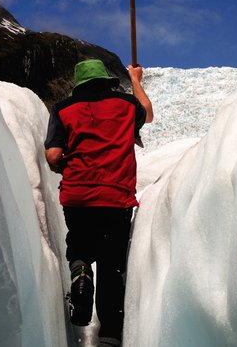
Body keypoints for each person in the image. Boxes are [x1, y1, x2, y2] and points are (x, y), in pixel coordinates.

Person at [44, 59, 153, 347]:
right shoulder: (127, 105)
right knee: (111, 267)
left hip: (77, 195)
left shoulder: (62, 109)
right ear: (106, 80)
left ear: (79, 83)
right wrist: (136, 80)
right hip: (116, 198)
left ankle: (80, 272)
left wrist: (66, 166)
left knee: (79, 245)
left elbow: (53, 154)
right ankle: (109, 337)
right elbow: (149, 115)